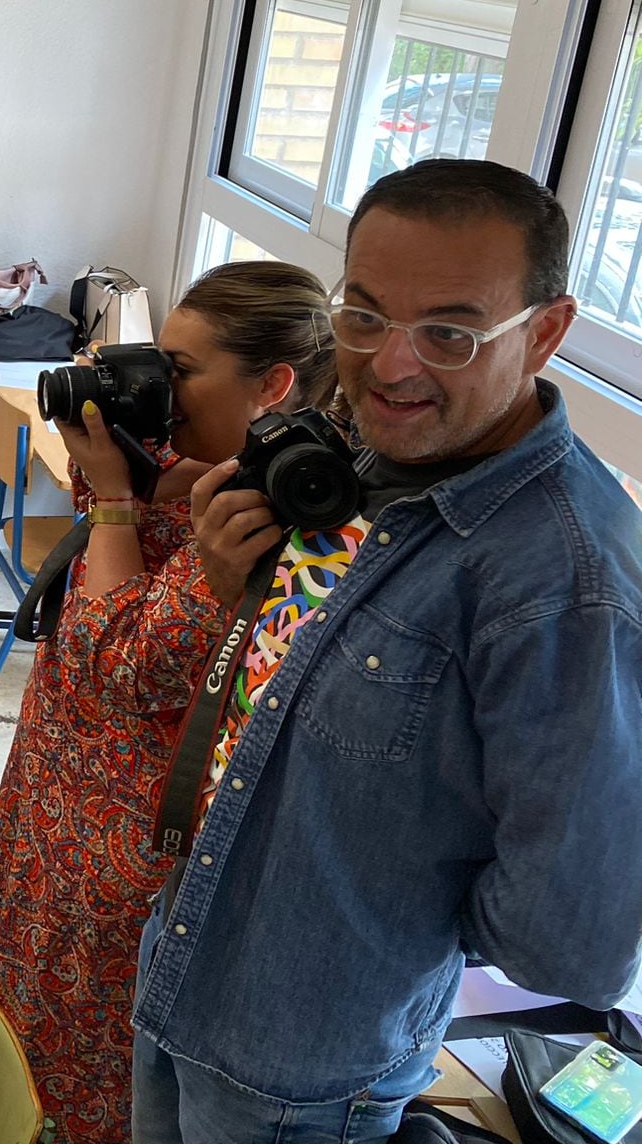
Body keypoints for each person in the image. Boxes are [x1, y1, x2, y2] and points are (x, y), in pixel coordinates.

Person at [130, 161, 642, 1143]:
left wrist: (386, 908)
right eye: (360, 316)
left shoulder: (568, 593)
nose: (389, 365)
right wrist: (246, 595)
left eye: (447, 333)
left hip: (300, 1070)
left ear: (543, 333)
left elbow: (572, 938)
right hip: (186, 973)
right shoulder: (374, 456)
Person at [0, 261, 337, 1144]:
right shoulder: (220, 469)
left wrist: (117, 501)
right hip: (55, 809)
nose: (161, 389)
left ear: (272, 386)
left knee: (78, 1076)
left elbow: (118, 665)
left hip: (121, 845)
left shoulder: (268, 524)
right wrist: (126, 460)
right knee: (8, 1045)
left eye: (182, 370)